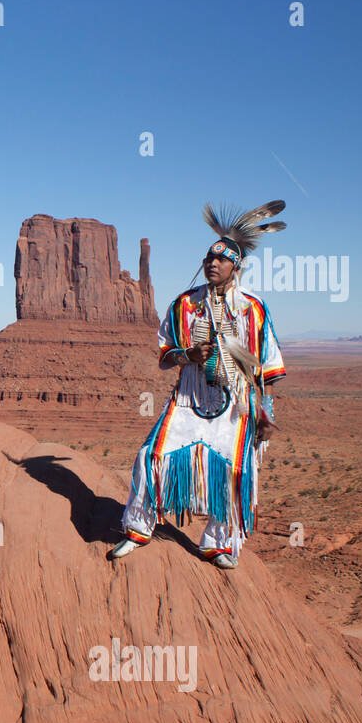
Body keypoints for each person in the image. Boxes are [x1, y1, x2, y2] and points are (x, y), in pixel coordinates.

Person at [107, 201, 288, 570]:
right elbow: (164, 355)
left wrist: (266, 416)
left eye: (221, 260)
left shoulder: (253, 309)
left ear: (236, 267)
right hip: (189, 399)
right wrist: (187, 354)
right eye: (208, 258)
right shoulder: (183, 306)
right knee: (151, 456)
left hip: (235, 403)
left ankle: (218, 544)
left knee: (235, 471)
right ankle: (137, 529)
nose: (212, 264)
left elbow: (268, 367)